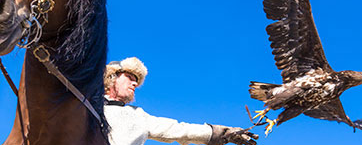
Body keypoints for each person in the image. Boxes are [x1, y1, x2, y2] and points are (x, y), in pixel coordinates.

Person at [103, 57, 258, 145]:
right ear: (112, 78)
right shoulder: (84, 104)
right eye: (130, 77)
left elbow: (178, 129)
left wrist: (220, 133)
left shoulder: (138, 116)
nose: (135, 84)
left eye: (136, 81)